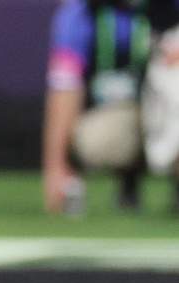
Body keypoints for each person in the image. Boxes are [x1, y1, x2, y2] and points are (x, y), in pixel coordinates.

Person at [42, 0, 179, 215]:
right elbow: (65, 87)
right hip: (122, 114)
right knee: (96, 139)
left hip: (167, 111)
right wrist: (56, 168)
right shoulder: (82, 11)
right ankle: (128, 180)